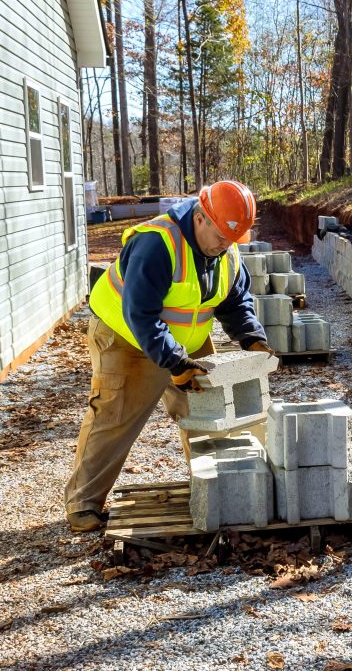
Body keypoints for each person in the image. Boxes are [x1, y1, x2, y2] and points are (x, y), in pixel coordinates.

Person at [64, 180, 274, 533]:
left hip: (186, 342)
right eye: (220, 236)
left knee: (211, 412)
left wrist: (253, 339)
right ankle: (83, 502)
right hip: (126, 336)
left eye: (231, 239)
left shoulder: (227, 251)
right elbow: (141, 314)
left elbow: (236, 301)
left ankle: (214, 489)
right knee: (114, 416)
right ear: (201, 217)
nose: (225, 246)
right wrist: (174, 363)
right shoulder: (157, 244)